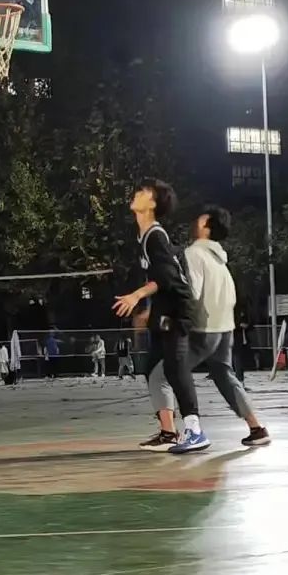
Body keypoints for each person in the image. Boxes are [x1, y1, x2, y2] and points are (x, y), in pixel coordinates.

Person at [147, 207, 272, 448]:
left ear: (206, 226)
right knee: (224, 375)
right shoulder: (220, 259)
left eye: (200, 219)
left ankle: (174, 433)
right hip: (225, 329)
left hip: (203, 329)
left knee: (160, 373)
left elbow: (191, 293)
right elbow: (231, 295)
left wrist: (170, 318)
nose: (195, 221)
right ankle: (257, 428)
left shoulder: (194, 253)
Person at [112, 178, 206, 454]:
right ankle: (168, 433)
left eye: (144, 192)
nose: (136, 193)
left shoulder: (155, 236)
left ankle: (195, 431)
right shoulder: (144, 236)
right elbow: (160, 278)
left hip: (178, 309)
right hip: (165, 308)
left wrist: (136, 296)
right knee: (153, 370)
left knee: (175, 368)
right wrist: (149, 311)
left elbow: (167, 277)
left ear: (152, 204)